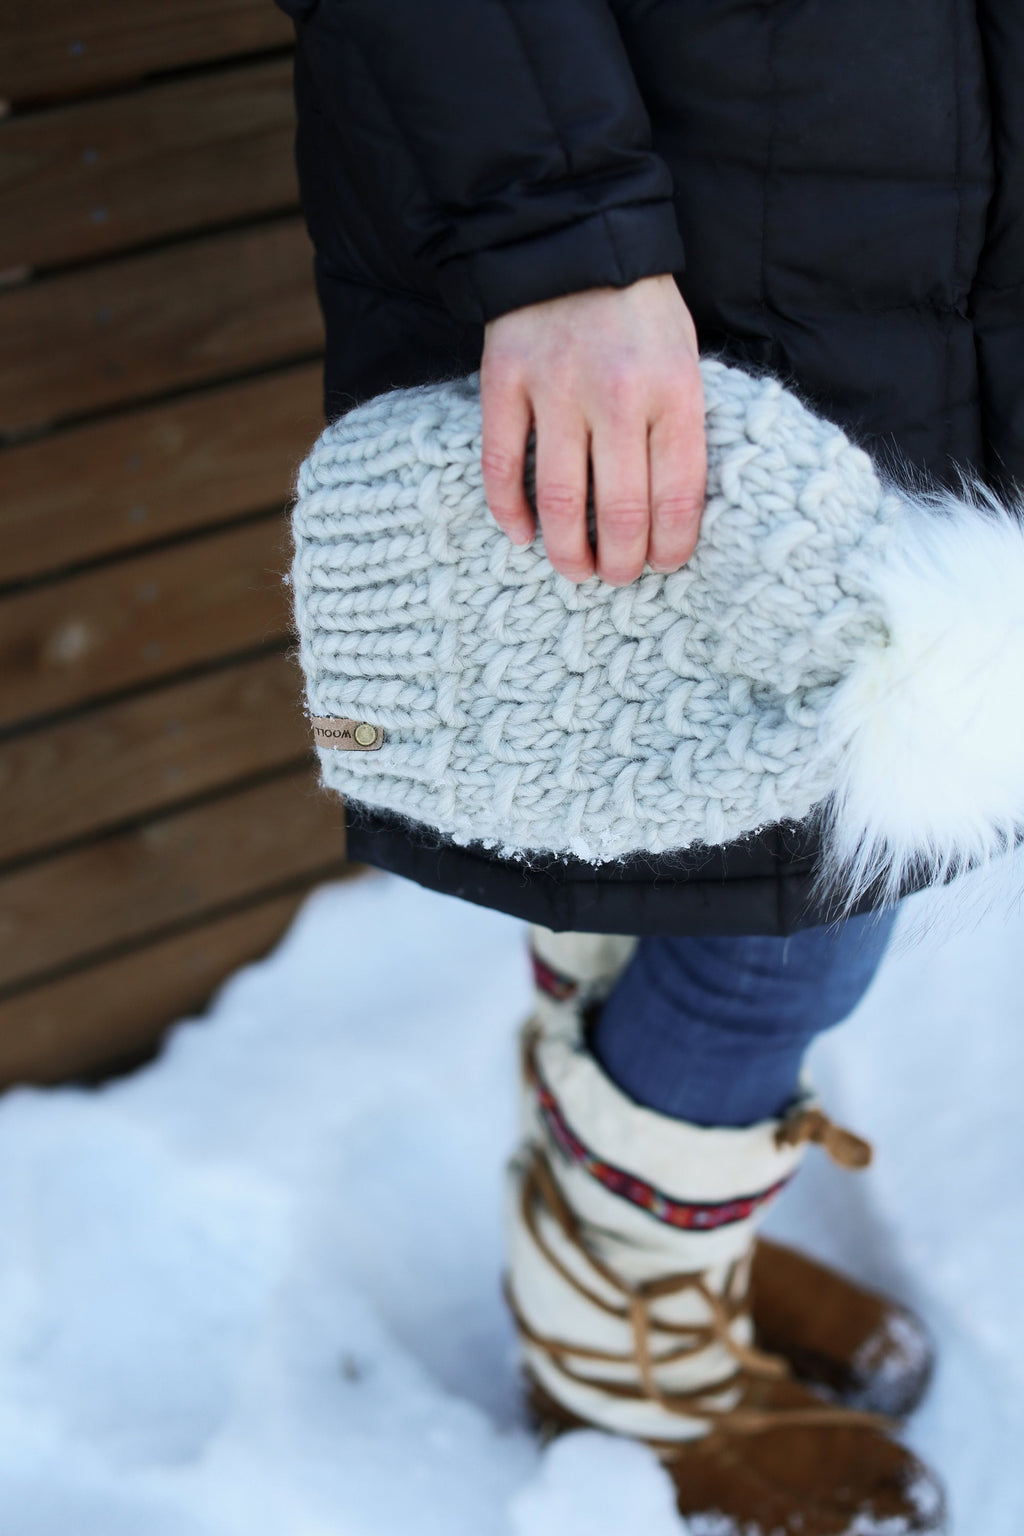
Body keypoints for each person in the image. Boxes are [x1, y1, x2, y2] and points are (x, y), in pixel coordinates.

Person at [277, 3, 1021, 1531]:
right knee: (779, 921)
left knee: (664, 830)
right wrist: (557, 236)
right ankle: (617, 1336)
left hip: (907, 223)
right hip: (657, 230)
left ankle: (636, 1217)